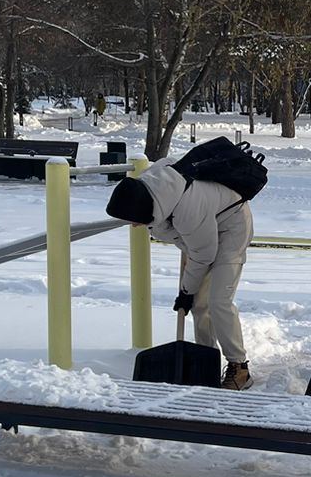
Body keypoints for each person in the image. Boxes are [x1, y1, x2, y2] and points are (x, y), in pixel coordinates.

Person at [105, 156, 255, 390]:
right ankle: (206, 360)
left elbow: (203, 256)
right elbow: (167, 160)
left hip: (231, 226)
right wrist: (191, 293)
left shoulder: (187, 210)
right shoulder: (152, 191)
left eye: (133, 220)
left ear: (142, 210)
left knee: (218, 301)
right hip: (202, 230)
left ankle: (240, 367)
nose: (133, 226)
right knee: (198, 304)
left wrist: (186, 290)